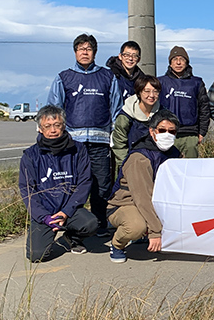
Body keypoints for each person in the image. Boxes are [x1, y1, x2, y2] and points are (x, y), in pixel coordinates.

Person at [47, 33, 123, 236]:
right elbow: (54, 110)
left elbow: (116, 109)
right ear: (75, 52)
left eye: (88, 49)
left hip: (100, 142)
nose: (85, 52)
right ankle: (73, 229)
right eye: (81, 49)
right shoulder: (64, 77)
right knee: (71, 185)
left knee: (101, 185)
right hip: (73, 143)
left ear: (95, 52)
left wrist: (115, 135)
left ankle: (100, 224)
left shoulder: (107, 76)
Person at [19, 105, 98, 262]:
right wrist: (44, 217)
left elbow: (84, 182)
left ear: (64, 125)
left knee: (91, 223)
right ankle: (46, 232)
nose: (53, 130)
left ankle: (71, 238)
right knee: (36, 256)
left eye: (57, 125)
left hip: (69, 210)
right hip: (45, 213)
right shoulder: (30, 155)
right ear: (40, 129)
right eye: (47, 126)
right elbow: (27, 190)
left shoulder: (78, 150)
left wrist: (66, 212)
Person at [107, 110, 183, 263]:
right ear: (152, 131)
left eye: (171, 131)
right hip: (126, 203)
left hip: (158, 200)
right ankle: (117, 244)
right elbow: (143, 197)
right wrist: (155, 232)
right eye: (162, 130)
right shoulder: (139, 158)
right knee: (135, 226)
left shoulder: (175, 154)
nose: (167, 134)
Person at [158, 46, 210, 158]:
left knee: (191, 169)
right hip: (167, 133)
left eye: (181, 59)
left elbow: (204, 108)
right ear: (170, 63)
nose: (178, 62)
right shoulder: (161, 82)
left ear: (186, 62)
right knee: (169, 167)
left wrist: (202, 132)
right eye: (175, 59)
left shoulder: (196, 82)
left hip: (190, 133)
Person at [112, 75, 162, 168]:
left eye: (155, 91)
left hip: (157, 162)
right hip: (131, 163)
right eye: (147, 91)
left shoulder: (163, 114)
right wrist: (126, 164)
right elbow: (119, 142)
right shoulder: (126, 115)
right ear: (139, 92)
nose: (151, 95)